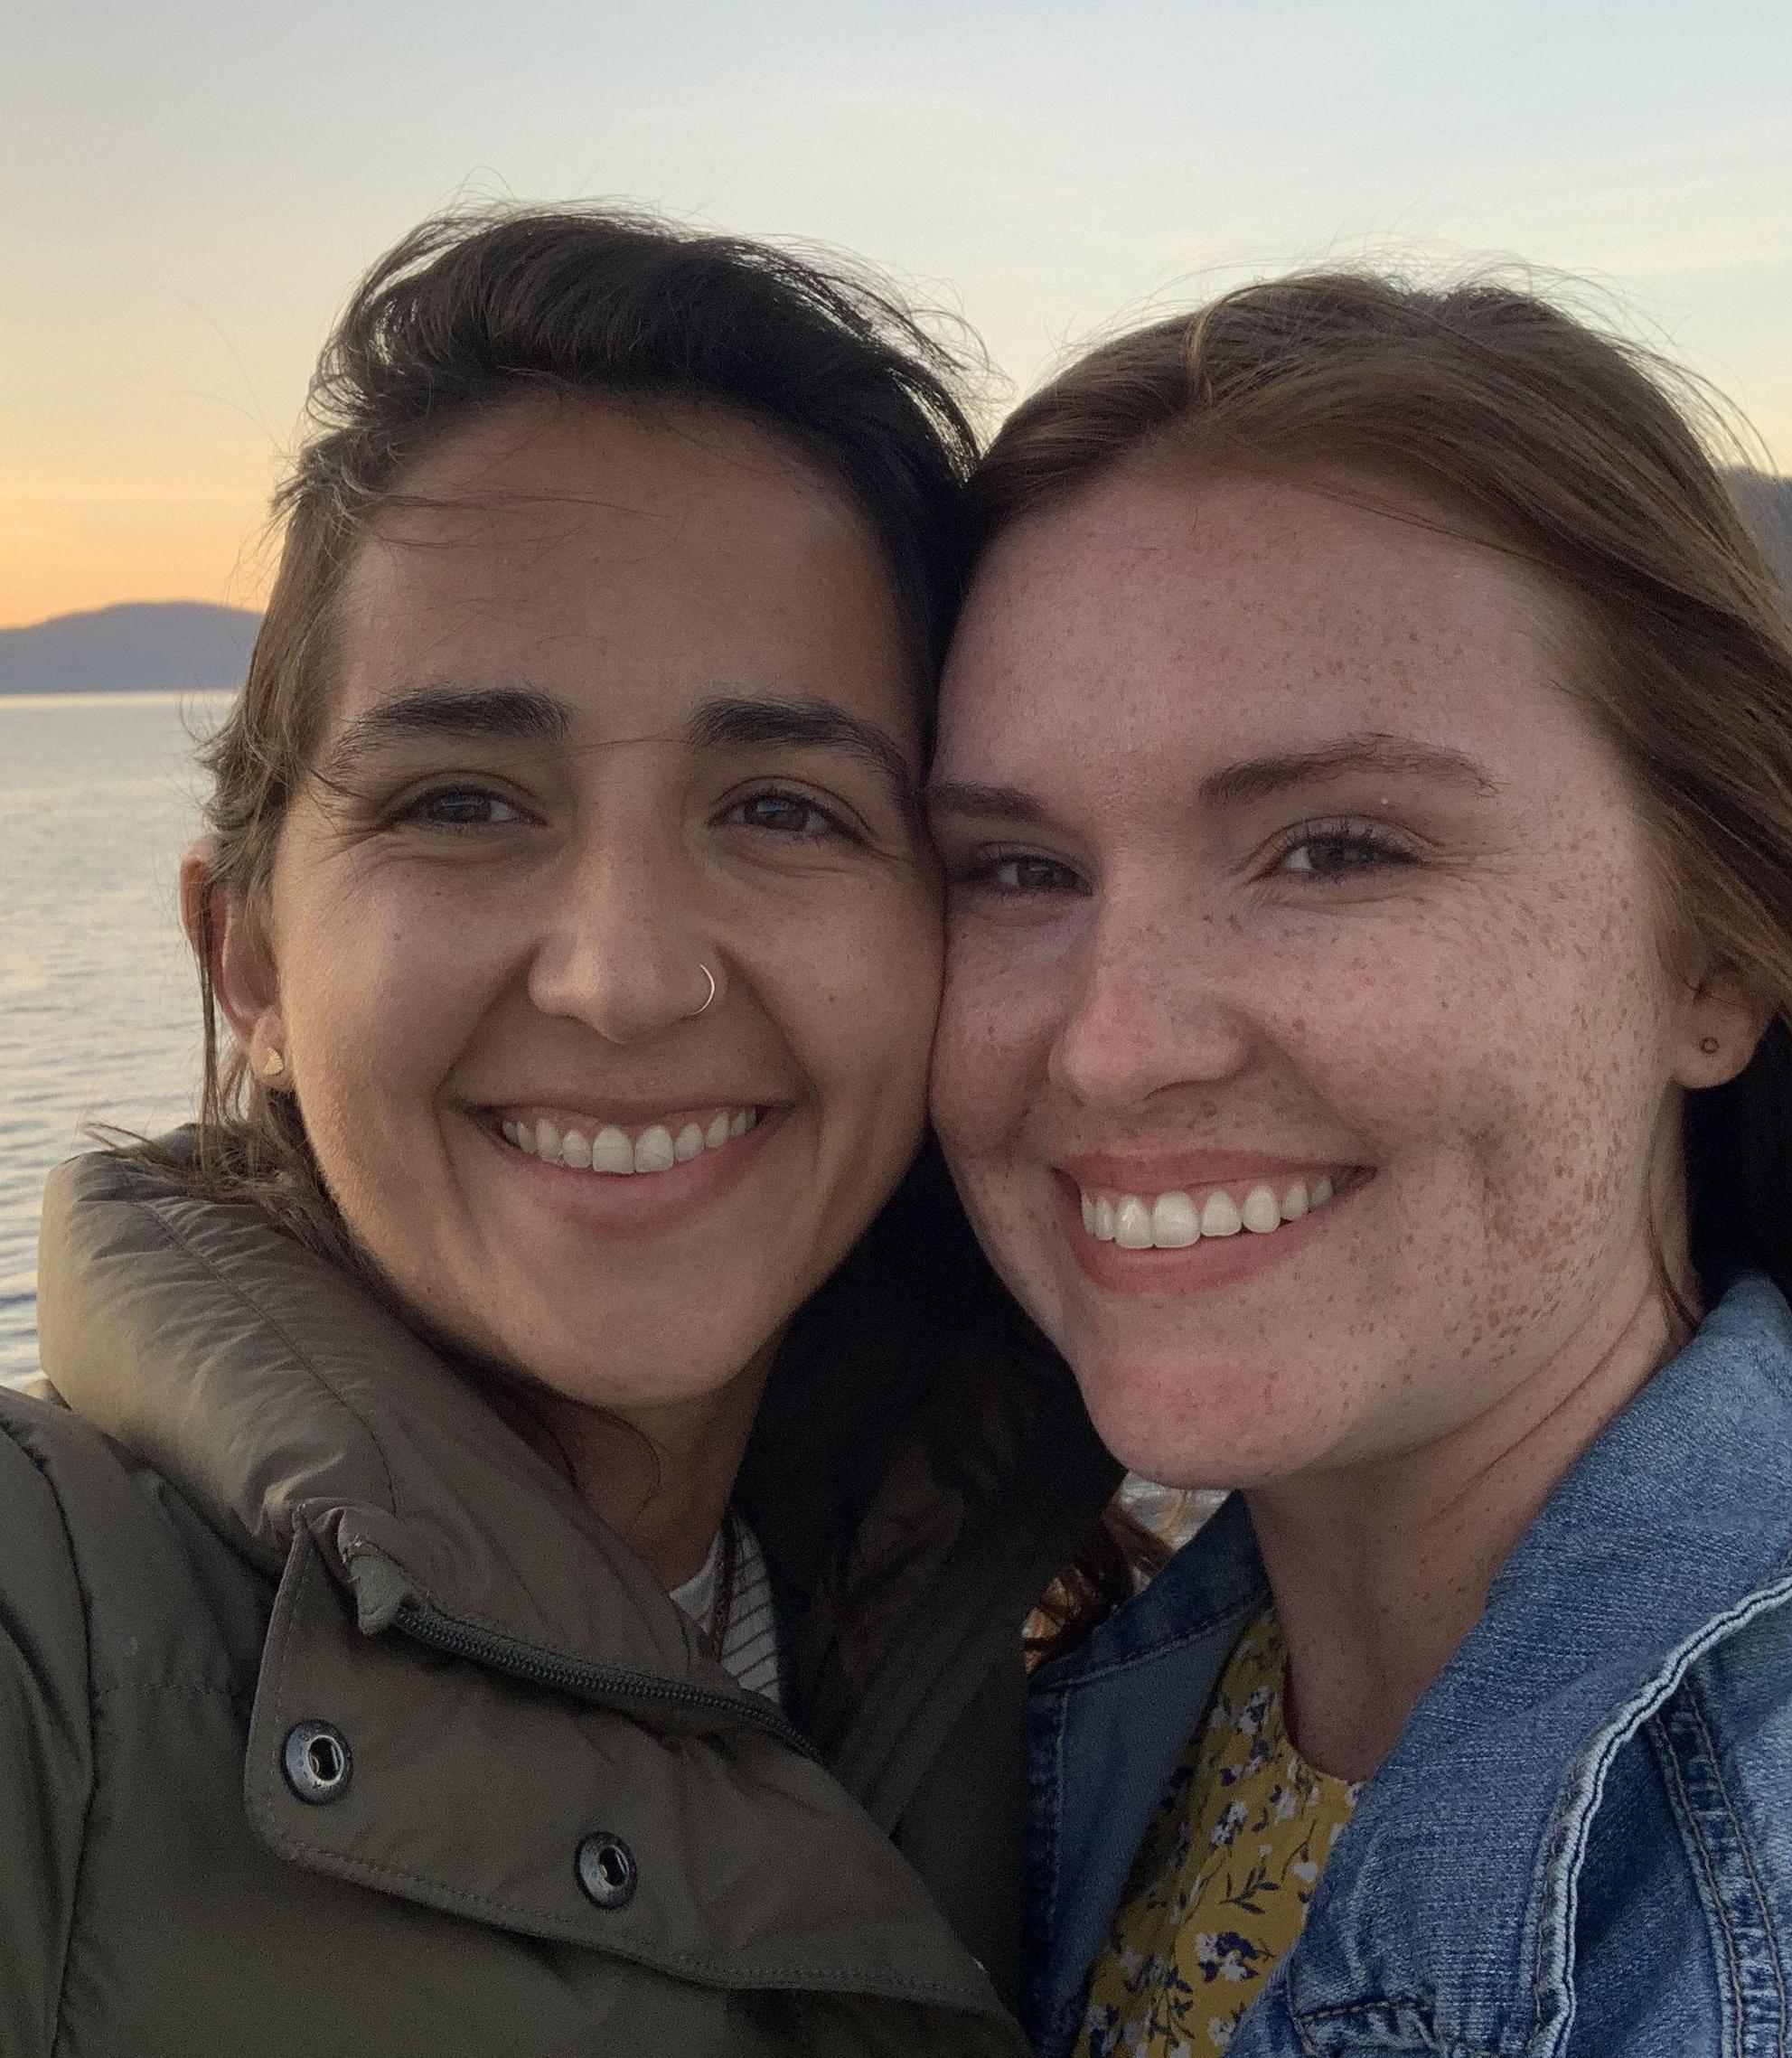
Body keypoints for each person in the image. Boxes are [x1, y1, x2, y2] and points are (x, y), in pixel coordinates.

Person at [0, 205, 1120, 2057]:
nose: (619, 974)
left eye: (780, 805)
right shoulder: (50, 1641)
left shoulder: (1009, 1633)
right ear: (250, 957)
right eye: (461, 799)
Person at [926, 271, 1792, 2057]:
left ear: (1715, 957)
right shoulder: (1164, 1692)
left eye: (1331, 848)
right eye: (1012, 868)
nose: (1113, 1040)